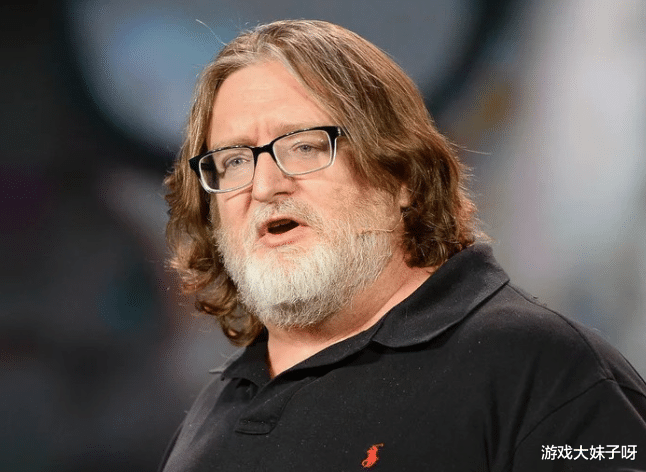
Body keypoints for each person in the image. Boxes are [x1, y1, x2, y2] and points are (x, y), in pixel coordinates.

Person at [158, 19, 646, 471]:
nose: (264, 186)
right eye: (234, 161)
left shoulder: (547, 372)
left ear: (402, 175)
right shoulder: (213, 409)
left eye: (305, 146)